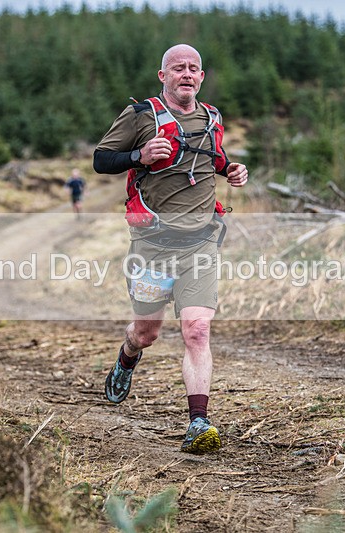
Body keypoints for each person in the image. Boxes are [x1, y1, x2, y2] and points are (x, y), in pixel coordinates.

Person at [93, 44, 248, 454]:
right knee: (147, 333)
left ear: (201, 77)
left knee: (197, 329)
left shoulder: (211, 117)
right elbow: (101, 159)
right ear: (163, 76)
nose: (186, 74)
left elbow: (213, 159)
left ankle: (199, 422)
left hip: (200, 243)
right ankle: (127, 355)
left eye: (193, 68)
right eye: (177, 68)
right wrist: (138, 154)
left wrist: (231, 169)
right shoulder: (141, 115)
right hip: (152, 245)